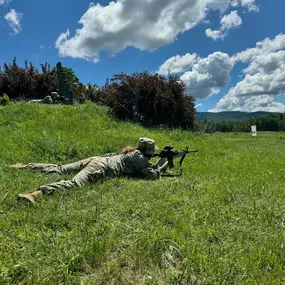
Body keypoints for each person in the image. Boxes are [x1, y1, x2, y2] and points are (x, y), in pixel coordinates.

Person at [10, 138, 184, 204]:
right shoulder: (140, 159)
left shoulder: (134, 153)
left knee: (60, 169)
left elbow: (146, 165)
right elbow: (153, 175)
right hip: (101, 168)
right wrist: (167, 161)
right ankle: (35, 194)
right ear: (148, 151)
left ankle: (26, 166)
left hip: (96, 159)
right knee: (75, 184)